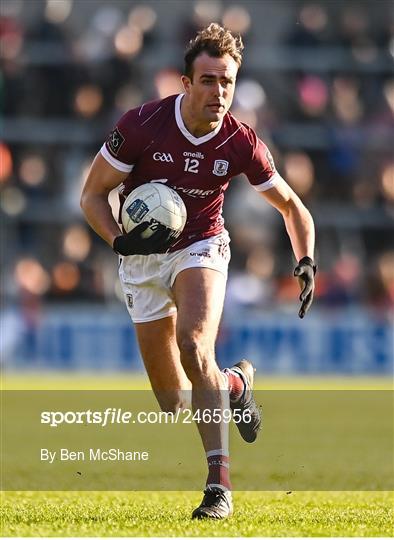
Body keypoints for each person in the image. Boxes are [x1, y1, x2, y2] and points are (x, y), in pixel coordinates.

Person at [80, 23, 316, 519]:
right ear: (185, 83)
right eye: (208, 80)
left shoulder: (240, 140)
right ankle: (236, 384)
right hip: (141, 256)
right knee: (174, 401)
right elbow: (92, 195)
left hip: (202, 245)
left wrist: (305, 259)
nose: (219, 91)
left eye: (227, 81)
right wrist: (119, 241)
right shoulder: (142, 125)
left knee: (193, 344)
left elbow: (291, 206)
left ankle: (218, 484)